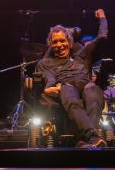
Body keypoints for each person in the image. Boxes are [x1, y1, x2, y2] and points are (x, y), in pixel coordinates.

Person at [36, 8, 108, 148]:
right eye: (55, 42)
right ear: (50, 45)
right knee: (68, 92)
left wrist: (103, 18)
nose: (59, 45)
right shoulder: (45, 63)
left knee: (93, 91)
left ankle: (84, 141)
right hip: (66, 87)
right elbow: (49, 78)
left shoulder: (82, 56)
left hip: (86, 85)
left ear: (69, 42)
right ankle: (93, 138)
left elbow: (101, 37)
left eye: (62, 41)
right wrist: (48, 89)